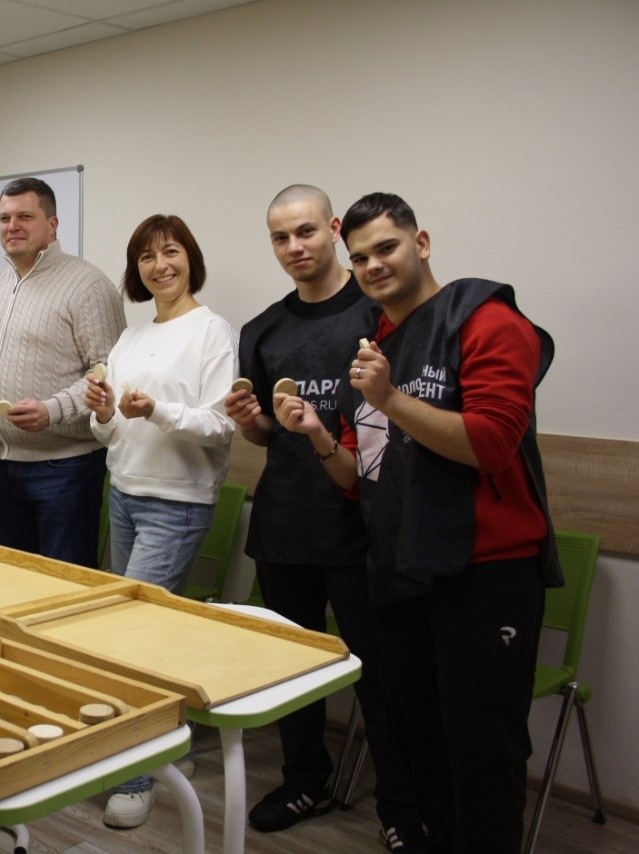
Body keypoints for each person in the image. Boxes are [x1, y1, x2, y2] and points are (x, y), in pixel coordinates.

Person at [277, 192, 559, 853]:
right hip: (402, 571)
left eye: (387, 248)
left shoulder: (486, 321)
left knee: (482, 750)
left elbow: (491, 443)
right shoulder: (374, 346)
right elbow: (358, 479)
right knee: (421, 743)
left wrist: (390, 398)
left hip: (484, 573)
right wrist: (317, 433)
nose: (374, 265)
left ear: (421, 243)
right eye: (360, 257)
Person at [226, 185, 418, 849]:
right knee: (294, 670)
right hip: (284, 525)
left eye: (305, 231)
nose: (294, 247)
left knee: (382, 677)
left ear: (333, 229)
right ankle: (305, 780)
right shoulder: (262, 329)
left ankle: (403, 805)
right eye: (280, 238)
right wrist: (250, 423)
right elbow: (265, 437)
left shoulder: (379, 308)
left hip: (363, 530)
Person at [84, 214, 237, 829]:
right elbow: (109, 430)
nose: (159, 266)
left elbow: (221, 426)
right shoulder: (132, 337)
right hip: (123, 492)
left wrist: (157, 410)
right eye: (146, 257)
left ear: (189, 258)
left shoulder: (212, 330)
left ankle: (136, 777)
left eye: (170, 252)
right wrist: (103, 412)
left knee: (131, 642)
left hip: (177, 503)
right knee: (138, 634)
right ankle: (168, 744)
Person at [0, 177, 125, 566]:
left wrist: (52, 410)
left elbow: (109, 371)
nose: (12, 226)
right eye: (5, 218)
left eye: (25, 216)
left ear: (52, 224)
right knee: (7, 582)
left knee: (64, 583)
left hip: (64, 469)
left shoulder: (88, 285)